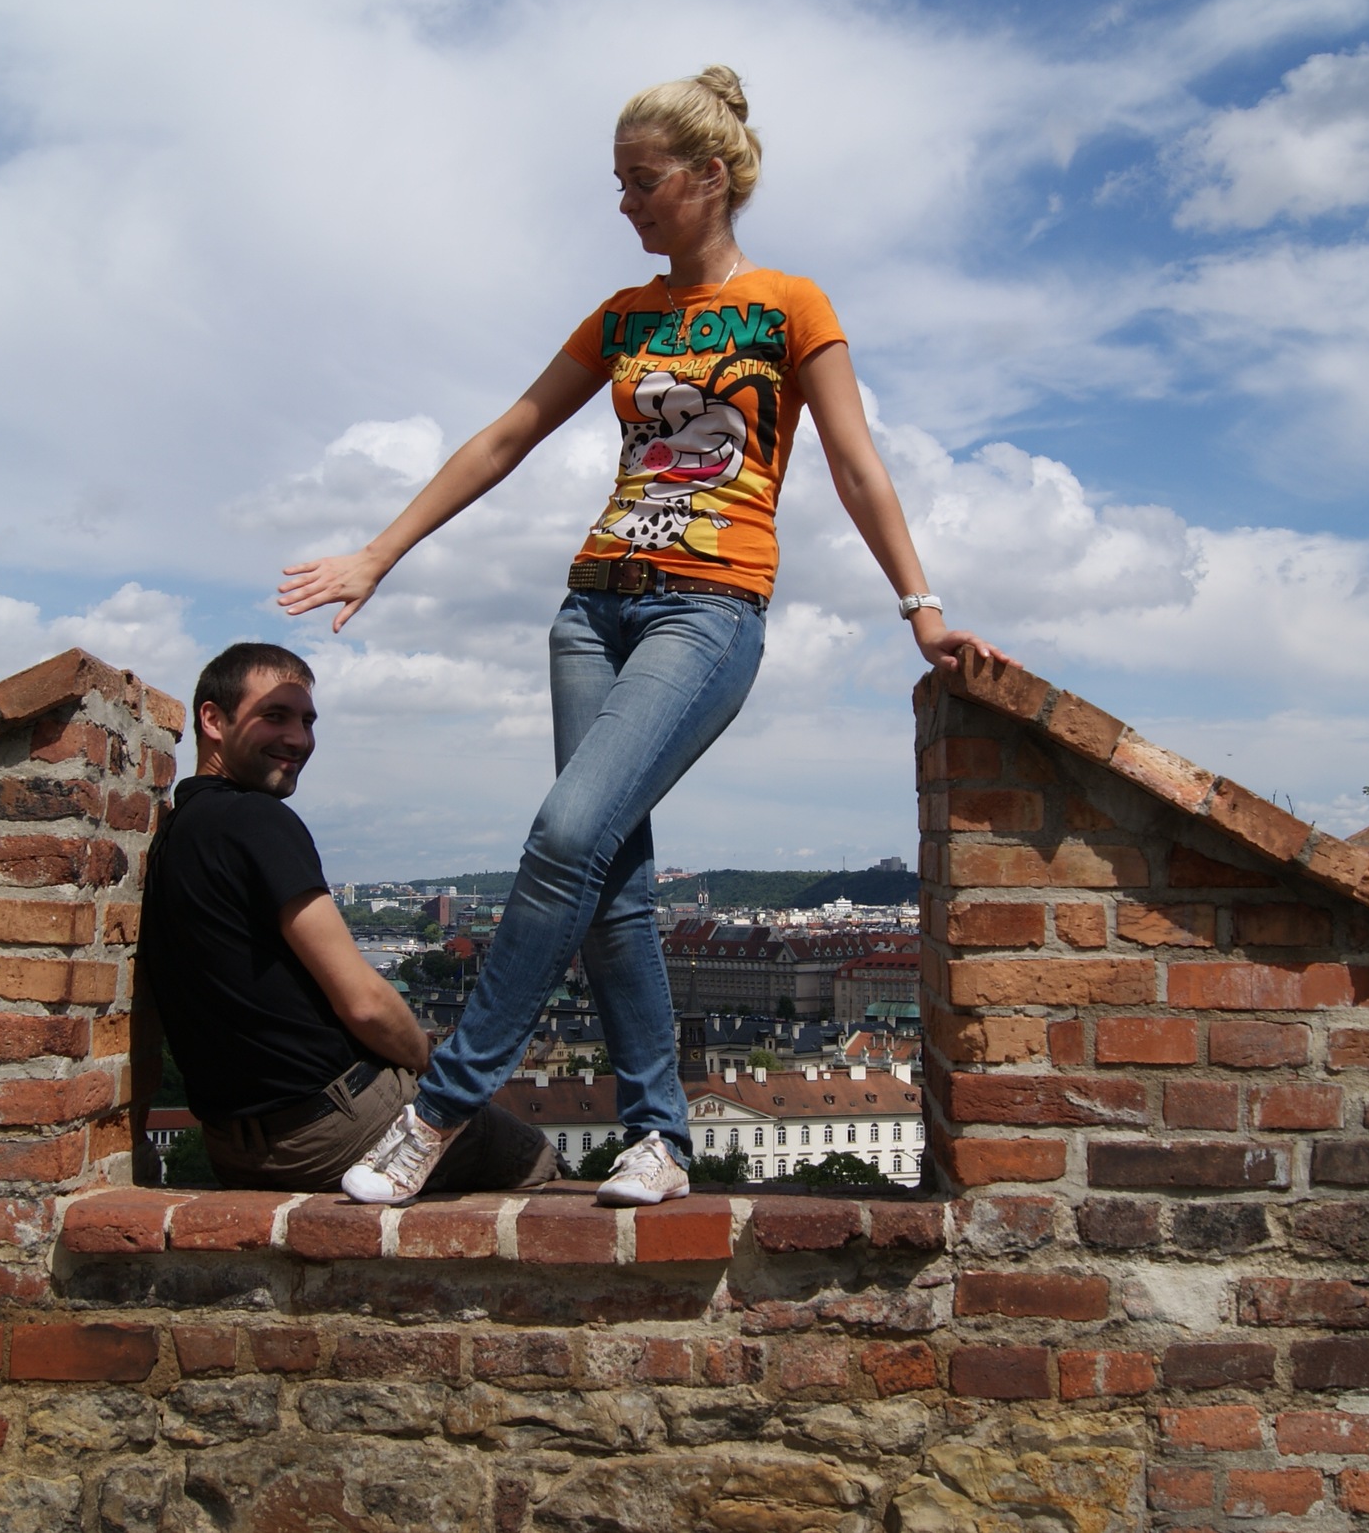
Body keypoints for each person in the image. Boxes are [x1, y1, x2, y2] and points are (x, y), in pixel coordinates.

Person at [283, 65, 998, 1207]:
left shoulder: (791, 305)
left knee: (567, 829)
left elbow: (857, 465)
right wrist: (380, 551)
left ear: (709, 176)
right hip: (590, 607)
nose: (623, 203)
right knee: (610, 882)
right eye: (616, 182)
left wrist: (922, 606)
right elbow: (507, 435)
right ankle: (659, 1138)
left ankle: (438, 1111)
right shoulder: (624, 317)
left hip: (708, 607)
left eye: (642, 180)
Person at [132, 642, 555, 1193]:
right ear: (213, 720)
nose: (298, 739)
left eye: (307, 721)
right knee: (535, 1161)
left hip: (232, 1148)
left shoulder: (176, 833)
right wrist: (431, 1065)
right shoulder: (256, 820)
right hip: (332, 1126)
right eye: (275, 716)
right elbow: (366, 1003)